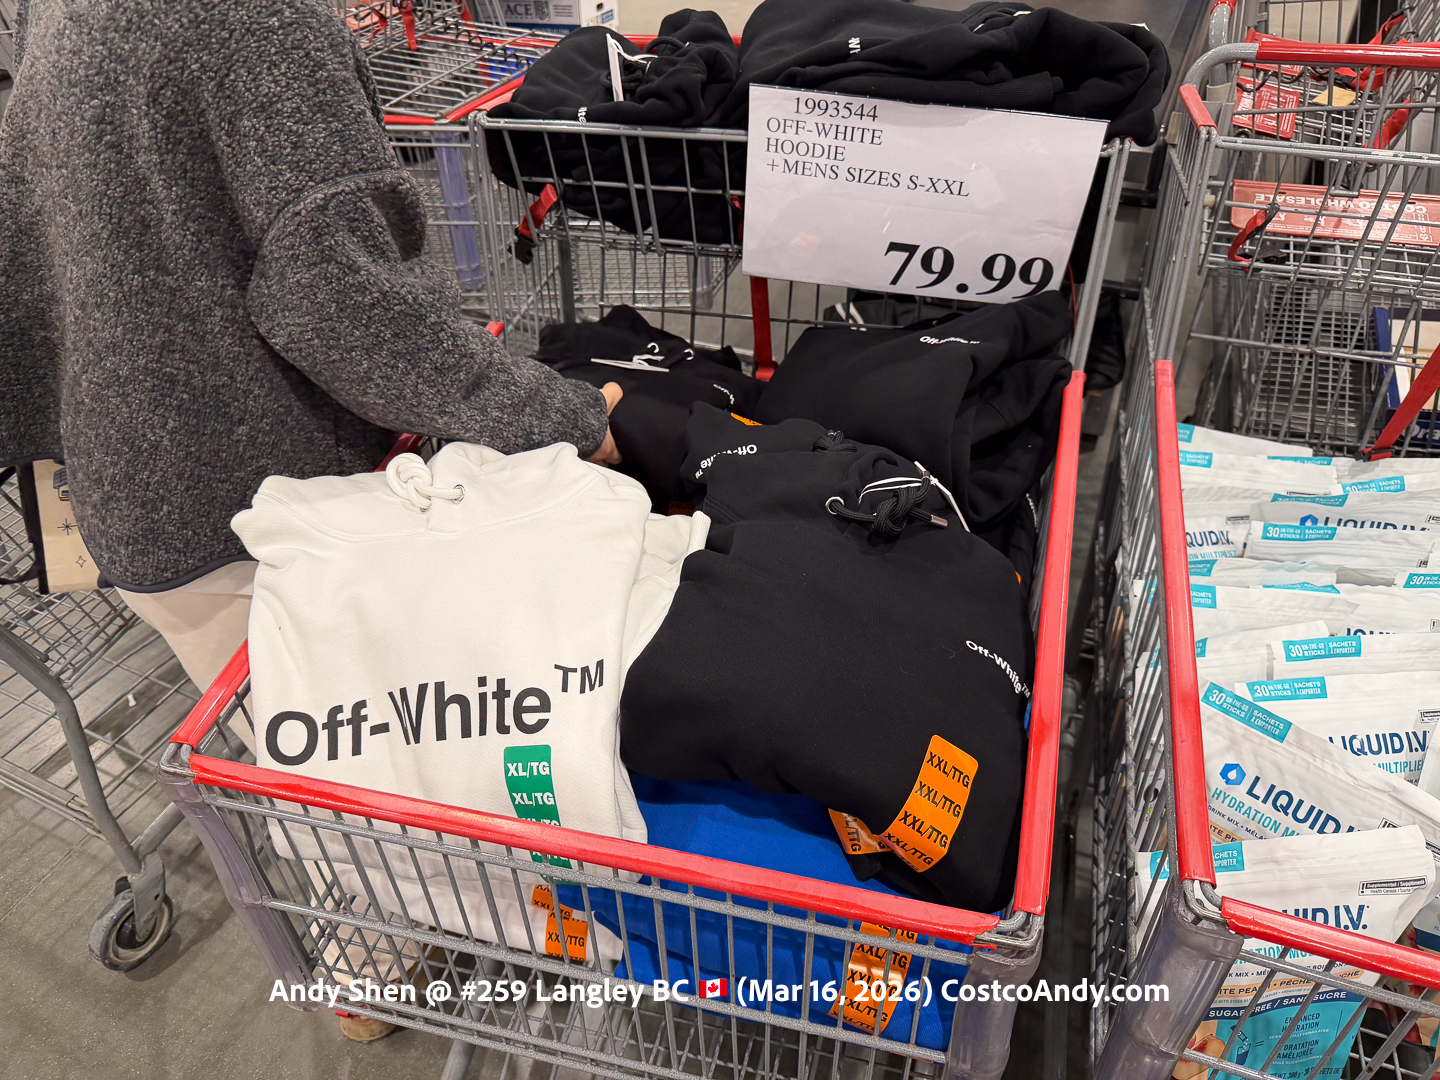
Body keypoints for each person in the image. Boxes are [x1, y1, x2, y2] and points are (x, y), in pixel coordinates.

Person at [0, 0, 622, 706]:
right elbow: (343, 307)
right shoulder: (262, 20)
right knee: (383, 762)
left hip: (139, 477)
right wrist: (563, 419)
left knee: (297, 752)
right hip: (262, 522)